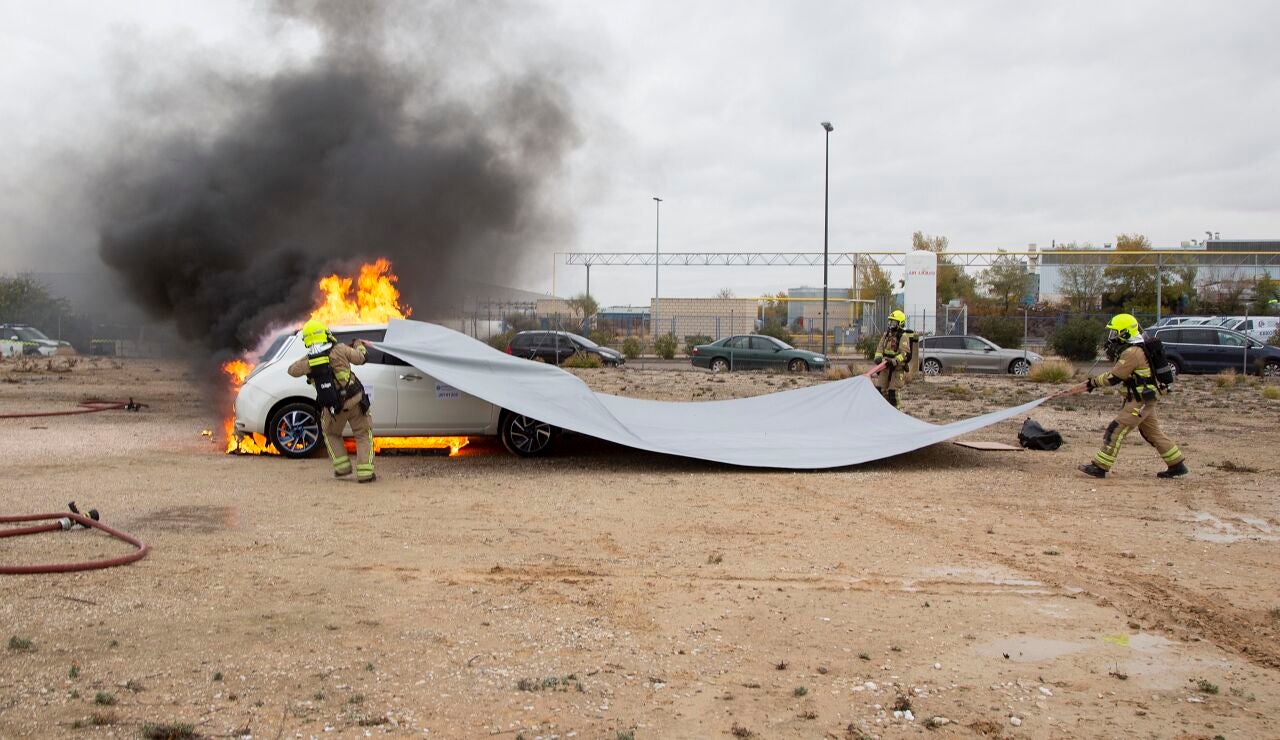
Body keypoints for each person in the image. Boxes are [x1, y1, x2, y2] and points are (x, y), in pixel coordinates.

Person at [1078, 313, 1187, 479]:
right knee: (1153, 433)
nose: (1112, 337)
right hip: (1146, 398)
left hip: (1140, 400)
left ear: (1125, 333)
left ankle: (1100, 467)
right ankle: (1176, 464)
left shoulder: (1132, 353)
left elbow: (1114, 377)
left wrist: (1092, 383)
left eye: (1115, 333)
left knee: (1116, 430)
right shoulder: (1139, 349)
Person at [287, 320, 376, 483]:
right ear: (325, 334)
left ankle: (342, 468)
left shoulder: (309, 361)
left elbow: (291, 370)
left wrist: (310, 358)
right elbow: (361, 358)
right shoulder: (340, 349)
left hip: (333, 408)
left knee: (331, 434)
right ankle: (365, 473)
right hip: (355, 401)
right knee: (362, 434)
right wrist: (358, 344)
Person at [871, 309, 915, 408]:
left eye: (894, 322)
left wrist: (894, 361)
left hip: (897, 368)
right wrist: (877, 357)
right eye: (890, 321)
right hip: (885, 367)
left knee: (893, 393)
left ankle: (898, 414)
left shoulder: (903, 337)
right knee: (880, 390)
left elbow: (904, 354)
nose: (891, 324)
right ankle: (884, 413)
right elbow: (880, 348)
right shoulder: (886, 335)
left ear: (900, 323)